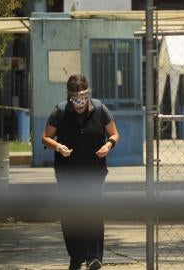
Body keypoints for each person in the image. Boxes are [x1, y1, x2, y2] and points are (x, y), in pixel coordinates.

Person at [42, 74, 120, 270]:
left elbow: (114, 133)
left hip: (94, 170)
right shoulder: (60, 111)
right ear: (69, 97)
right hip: (67, 171)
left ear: (88, 95)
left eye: (83, 98)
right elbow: (45, 138)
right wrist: (58, 146)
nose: (79, 103)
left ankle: (94, 257)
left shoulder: (100, 109)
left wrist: (109, 145)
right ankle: (76, 256)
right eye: (75, 99)